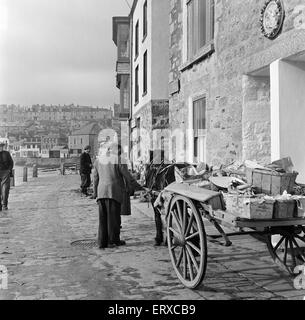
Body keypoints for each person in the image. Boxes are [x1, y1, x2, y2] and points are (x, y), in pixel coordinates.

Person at [92, 143, 146, 249]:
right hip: (114, 192)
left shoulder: (98, 160)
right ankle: (114, 240)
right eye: (120, 151)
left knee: (103, 219)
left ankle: (102, 242)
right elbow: (127, 176)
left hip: (101, 192)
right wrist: (138, 187)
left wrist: (95, 193)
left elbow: (95, 178)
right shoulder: (119, 160)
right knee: (114, 218)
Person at [0, 142, 14, 211]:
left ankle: (4, 205)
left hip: (5, 173)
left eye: (1, 146)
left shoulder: (7, 153)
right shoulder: (7, 153)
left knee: (5, 190)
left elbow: (11, 163)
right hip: (5, 172)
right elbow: (11, 163)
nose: (0, 147)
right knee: (4, 190)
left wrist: (9, 170)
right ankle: (3, 205)